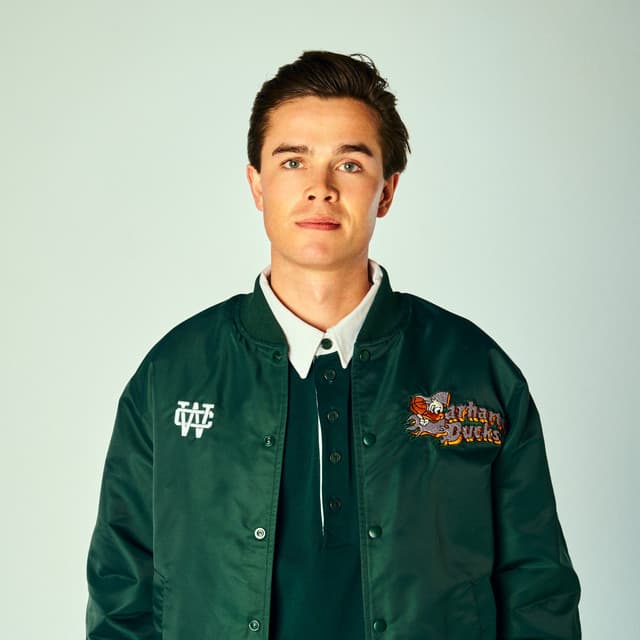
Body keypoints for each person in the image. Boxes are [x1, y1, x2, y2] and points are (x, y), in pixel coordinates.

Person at [86, 51, 581, 639]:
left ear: (386, 191)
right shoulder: (173, 375)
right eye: (293, 161)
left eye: (349, 164)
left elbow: (538, 593)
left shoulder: (475, 371)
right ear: (257, 184)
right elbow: (122, 592)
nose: (319, 189)